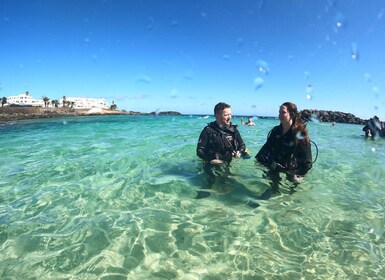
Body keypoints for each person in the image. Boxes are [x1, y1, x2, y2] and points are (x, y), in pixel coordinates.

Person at [196, 102, 248, 197]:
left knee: (229, 184)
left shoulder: (233, 130)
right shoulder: (208, 131)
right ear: (217, 116)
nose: (229, 117)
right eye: (226, 114)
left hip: (226, 162)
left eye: (230, 114)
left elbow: (242, 145)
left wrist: (239, 152)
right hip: (210, 162)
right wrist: (210, 159)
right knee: (209, 184)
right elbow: (199, 150)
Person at [255, 102, 312, 184]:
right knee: (271, 190)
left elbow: (307, 162)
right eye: (279, 112)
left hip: (292, 170)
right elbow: (266, 148)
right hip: (275, 166)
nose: (280, 115)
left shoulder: (300, 134)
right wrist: (258, 160)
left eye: (283, 112)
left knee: (290, 193)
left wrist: (300, 175)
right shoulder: (276, 130)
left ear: (292, 115)